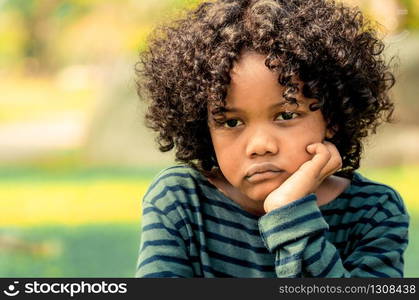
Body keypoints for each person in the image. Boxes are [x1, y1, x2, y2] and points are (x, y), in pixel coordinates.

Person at [134, 0, 409, 277]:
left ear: (332, 118)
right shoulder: (181, 199)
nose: (260, 146)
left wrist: (289, 214)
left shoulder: (374, 211)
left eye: (286, 116)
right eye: (231, 122)